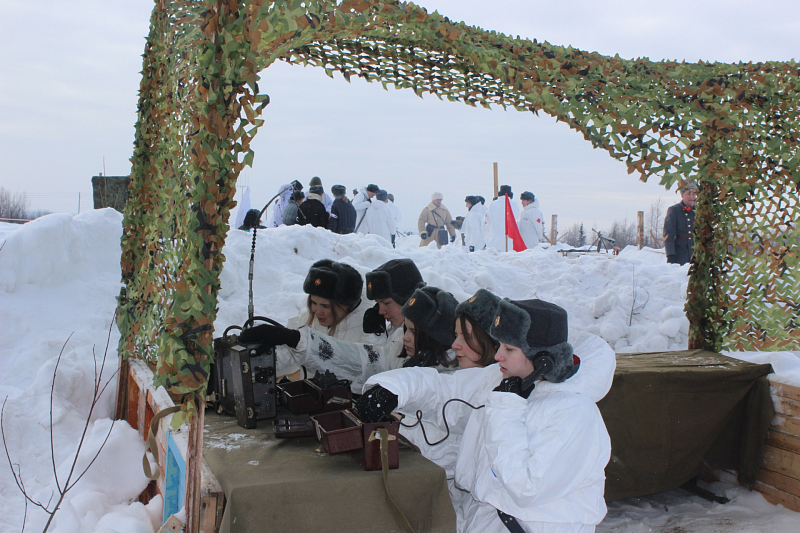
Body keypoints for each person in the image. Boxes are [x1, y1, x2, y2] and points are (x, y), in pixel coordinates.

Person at [356, 299, 615, 533]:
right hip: (483, 517)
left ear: (543, 359)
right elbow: (448, 390)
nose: (499, 355)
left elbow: (525, 487)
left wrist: (506, 407)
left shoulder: (574, 413)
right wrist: (392, 390)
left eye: (510, 349)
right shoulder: (503, 379)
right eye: (500, 345)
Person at [240, 258, 427, 391]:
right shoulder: (314, 319)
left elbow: (365, 365)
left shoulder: (389, 327)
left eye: (386, 303)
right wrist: (252, 362)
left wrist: (373, 336)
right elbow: (289, 354)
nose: (317, 311)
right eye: (313, 303)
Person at [663, 181, 697, 265]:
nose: (692, 197)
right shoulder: (674, 210)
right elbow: (668, 234)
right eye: (688, 194)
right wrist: (670, 254)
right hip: (680, 255)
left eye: (694, 194)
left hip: (697, 254)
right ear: (682, 195)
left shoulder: (700, 211)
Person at [484, 185, 521, 252]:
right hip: (508, 240)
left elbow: (487, 220)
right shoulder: (514, 205)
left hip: (494, 239)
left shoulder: (493, 205)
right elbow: (516, 217)